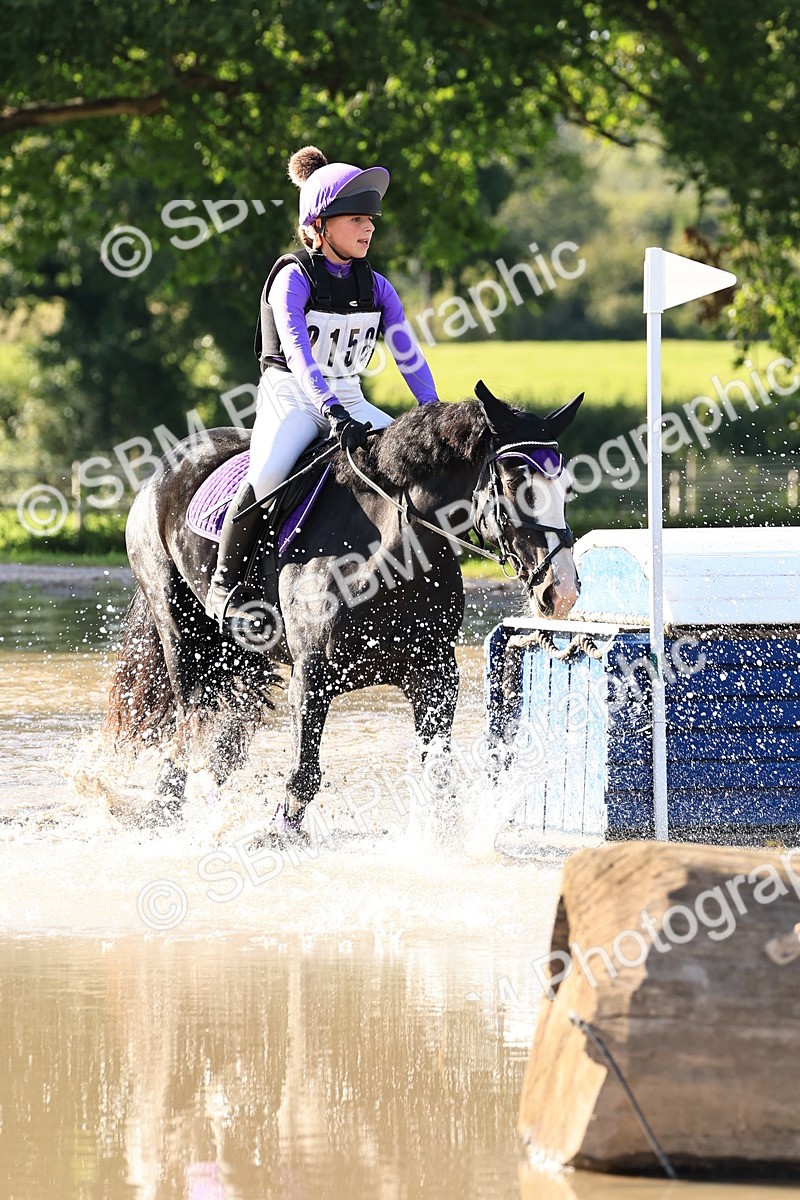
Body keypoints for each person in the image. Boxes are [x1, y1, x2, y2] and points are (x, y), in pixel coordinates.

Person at [205, 144, 440, 630]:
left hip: (349, 396)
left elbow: (408, 356)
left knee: (411, 463)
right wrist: (331, 410)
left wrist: (432, 414)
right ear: (319, 225)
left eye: (371, 218)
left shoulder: (378, 287)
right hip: (293, 394)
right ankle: (224, 583)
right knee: (270, 473)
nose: (369, 227)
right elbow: (298, 354)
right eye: (356, 218)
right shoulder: (293, 277)